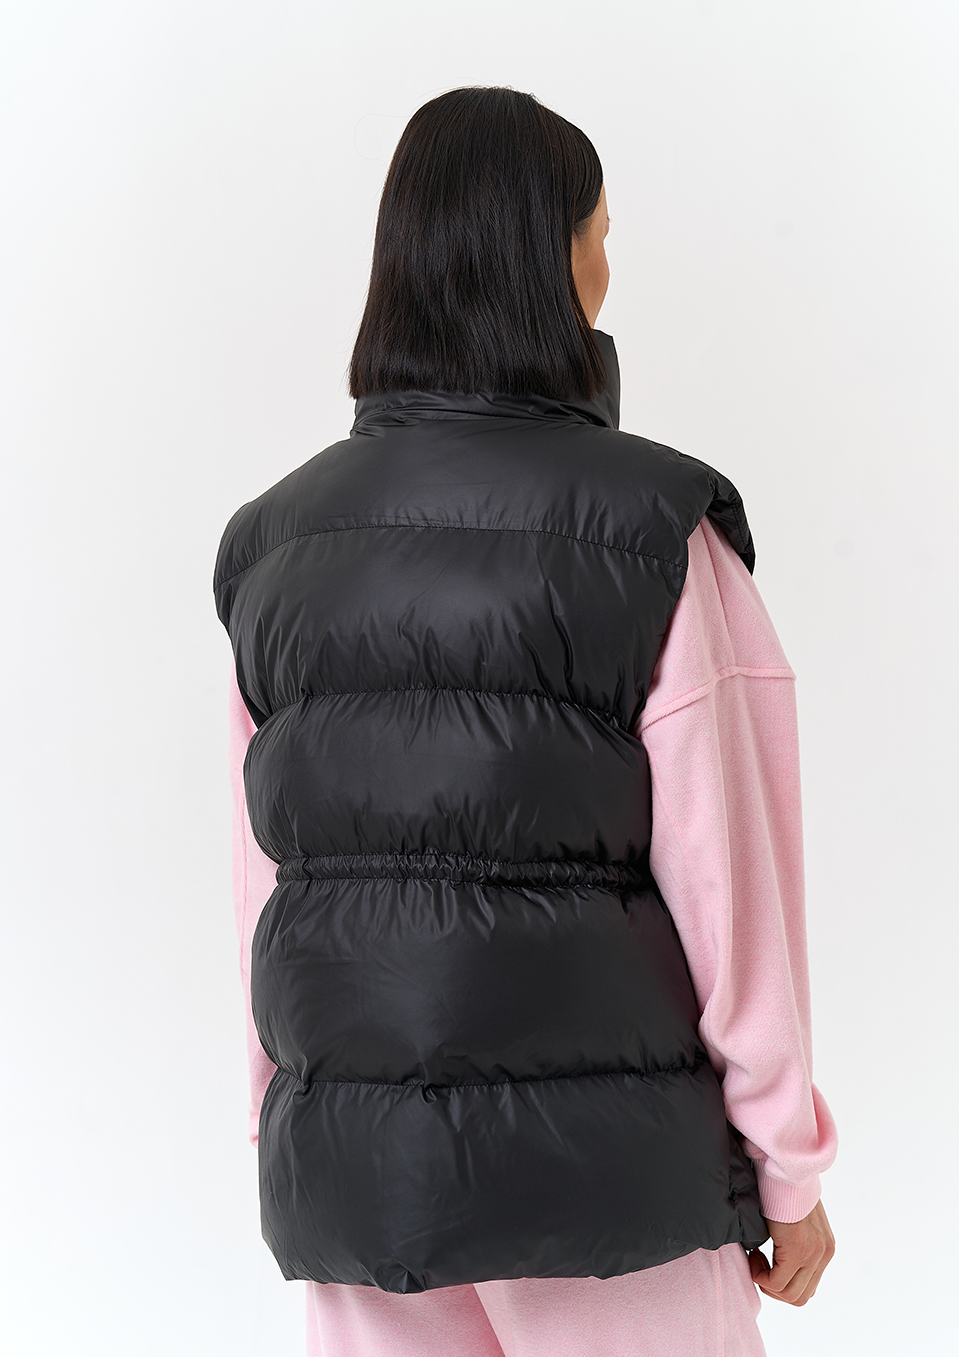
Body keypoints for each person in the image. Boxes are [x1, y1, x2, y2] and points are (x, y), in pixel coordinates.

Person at [217, 85, 838, 1356]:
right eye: (599, 235)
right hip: (610, 1189)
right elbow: (733, 892)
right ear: (552, 261)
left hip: (358, 1183)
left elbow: (265, 897)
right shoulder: (650, 531)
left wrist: (290, 1130)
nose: (608, 270)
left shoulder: (273, 549)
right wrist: (787, 1166)